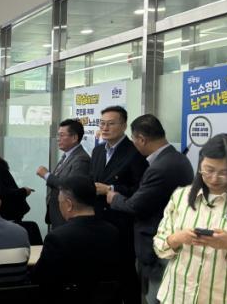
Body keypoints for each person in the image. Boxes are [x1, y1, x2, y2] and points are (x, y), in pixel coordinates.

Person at [105, 114, 193, 304]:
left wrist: (114, 197)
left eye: (134, 139)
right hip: (168, 240)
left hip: (157, 246)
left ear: (141, 139)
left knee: (154, 297)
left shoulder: (160, 167)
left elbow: (136, 205)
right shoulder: (178, 159)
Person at [153, 134, 227, 304]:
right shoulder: (181, 196)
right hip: (177, 295)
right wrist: (177, 238)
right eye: (209, 170)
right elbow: (159, 246)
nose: (214, 178)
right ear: (200, 165)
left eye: (224, 172)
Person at [91, 106, 148, 304]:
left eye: (111, 124)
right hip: (98, 222)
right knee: (103, 275)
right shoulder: (98, 150)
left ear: (123, 126)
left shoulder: (134, 152)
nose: (105, 128)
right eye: (102, 123)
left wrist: (110, 188)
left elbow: (141, 190)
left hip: (122, 224)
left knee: (124, 274)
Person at [32, 176, 120, 302]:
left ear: (69, 204)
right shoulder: (113, 232)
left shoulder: (57, 237)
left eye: (60, 202)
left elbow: (39, 277)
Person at [36, 118, 91, 229]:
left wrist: (47, 175)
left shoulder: (81, 158)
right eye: (58, 135)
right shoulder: (67, 155)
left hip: (67, 214)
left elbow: (71, 186)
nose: (58, 139)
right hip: (57, 212)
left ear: (74, 137)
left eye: (61, 135)